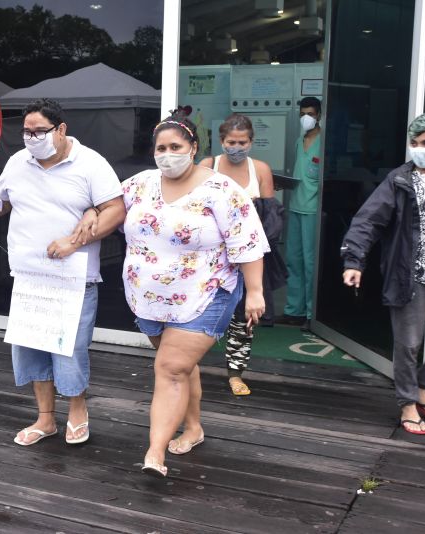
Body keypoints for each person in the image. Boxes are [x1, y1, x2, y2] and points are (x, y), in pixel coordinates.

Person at [0, 98, 126, 446]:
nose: (31, 138)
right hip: (29, 275)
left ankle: (78, 412)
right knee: (32, 344)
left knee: (69, 348)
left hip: (74, 276)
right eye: (26, 131)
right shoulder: (18, 161)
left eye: (39, 131)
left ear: (61, 129)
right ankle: (46, 418)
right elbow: (1, 205)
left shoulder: (90, 163)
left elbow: (115, 209)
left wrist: (75, 241)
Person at [120, 111, 268, 477]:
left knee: (170, 368)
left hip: (205, 293)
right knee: (182, 368)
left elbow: (247, 242)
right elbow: (108, 210)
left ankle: (155, 454)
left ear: (193, 148)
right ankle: (194, 428)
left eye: (175, 147)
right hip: (147, 297)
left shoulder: (222, 190)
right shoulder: (139, 183)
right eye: (160, 148)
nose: (167, 154)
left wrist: (255, 292)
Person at [342, 112, 425, 435]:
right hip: (410, 279)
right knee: (408, 345)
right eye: (415, 143)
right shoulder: (399, 180)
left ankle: (421, 385)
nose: (420, 149)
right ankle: (408, 403)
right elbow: (368, 221)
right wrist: (354, 261)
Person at [199, 113, 281, 396]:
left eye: (242, 142)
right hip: (209, 257)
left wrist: (253, 252)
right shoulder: (208, 166)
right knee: (199, 311)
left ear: (251, 142)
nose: (236, 147)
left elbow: (271, 217)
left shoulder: (260, 169)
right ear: (221, 142)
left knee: (245, 317)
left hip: (246, 255)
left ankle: (236, 372)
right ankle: (187, 367)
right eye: (231, 142)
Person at [281, 97, 322, 331]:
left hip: (313, 209)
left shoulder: (324, 140)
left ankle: (311, 313)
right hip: (296, 205)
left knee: (310, 262)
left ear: (319, 115)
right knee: (294, 261)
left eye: (311, 113)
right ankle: (293, 311)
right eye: (303, 113)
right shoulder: (299, 141)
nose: (306, 117)